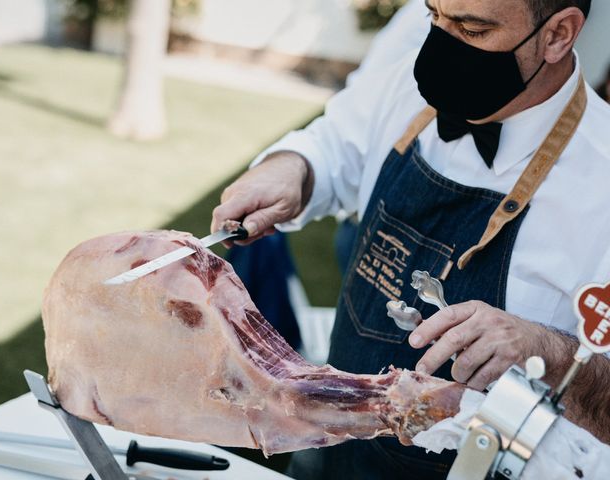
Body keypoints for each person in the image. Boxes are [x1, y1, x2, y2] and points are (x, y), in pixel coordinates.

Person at [212, 1, 610, 478]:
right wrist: (292, 169)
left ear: (558, 34)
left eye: (472, 29)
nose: (441, 46)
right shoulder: (406, 85)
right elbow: (336, 141)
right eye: (435, 16)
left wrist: (547, 350)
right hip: (334, 451)